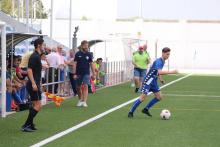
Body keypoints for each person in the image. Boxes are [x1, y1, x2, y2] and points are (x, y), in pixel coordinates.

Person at [128, 47, 178, 118]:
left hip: (153, 81)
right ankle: (131, 112)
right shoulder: (158, 61)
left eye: (169, 54)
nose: (168, 56)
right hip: (148, 81)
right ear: (163, 53)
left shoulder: (163, 61)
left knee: (159, 97)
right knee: (142, 98)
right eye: (167, 54)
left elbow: (157, 71)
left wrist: (160, 78)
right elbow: (159, 71)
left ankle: (146, 109)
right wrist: (172, 72)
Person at [21, 38, 44, 132]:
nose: (44, 46)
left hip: (34, 83)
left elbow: (33, 70)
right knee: (38, 105)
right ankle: (26, 125)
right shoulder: (35, 56)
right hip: (33, 84)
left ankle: (30, 124)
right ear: (39, 45)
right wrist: (34, 83)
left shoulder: (37, 56)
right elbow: (29, 70)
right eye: (43, 44)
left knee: (35, 104)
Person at [73, 40, 96, 107]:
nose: (87, 47)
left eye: (87, 46)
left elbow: (91, 64)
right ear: (82, 46)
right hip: (78, 73)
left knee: (86, 86)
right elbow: (75, 64)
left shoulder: (89, 54)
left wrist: (94, 74)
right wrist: (74, 73)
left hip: (86, 73)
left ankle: (84, 101)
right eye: (86, 46)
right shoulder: (77, 54)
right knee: (78, 87)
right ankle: (80, 99)